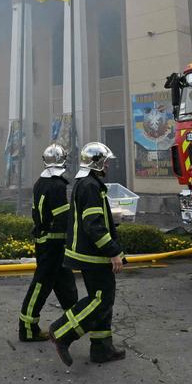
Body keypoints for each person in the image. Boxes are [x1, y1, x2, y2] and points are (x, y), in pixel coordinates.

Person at [49, 142, 126, 366]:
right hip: (95, 257)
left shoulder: (86, 184)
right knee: (100, 301)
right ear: (97, 162)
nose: (108, 165)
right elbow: (93, 224)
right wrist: (113, 252)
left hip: (90, 255)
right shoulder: (91, 186)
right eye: (106, 161)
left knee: (103, 300)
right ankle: (61, 331)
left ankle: (102, 349)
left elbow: (92, 221)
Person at [18, 144, 78, 342]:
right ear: (63, 160)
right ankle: (27, 328)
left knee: (65, 284)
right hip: (53, 244)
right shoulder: (57, 185)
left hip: (48, 242)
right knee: (41, 285)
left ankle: (76, 322)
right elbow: (62, 217)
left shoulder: (40, 182)